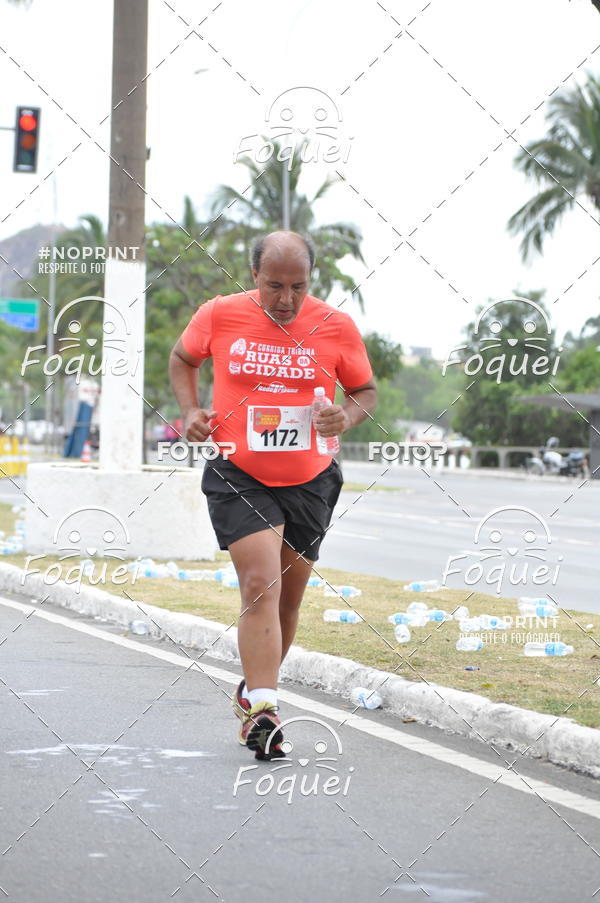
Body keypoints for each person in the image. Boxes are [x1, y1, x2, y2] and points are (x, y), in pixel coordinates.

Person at [169, 230, 377, 759]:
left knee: (286, 599)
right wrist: (192, 412)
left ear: (311, 281)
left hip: (311, 477)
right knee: (259, 584)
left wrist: (345, 415)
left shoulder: (336, 325)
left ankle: (252, 691)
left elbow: (364, 390)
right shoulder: (219, 313)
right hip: (238, 469)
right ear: (253, 275)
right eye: (274, 286)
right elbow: (183, 359)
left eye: (298, 287)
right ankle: (264, 709)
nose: (286, 300)